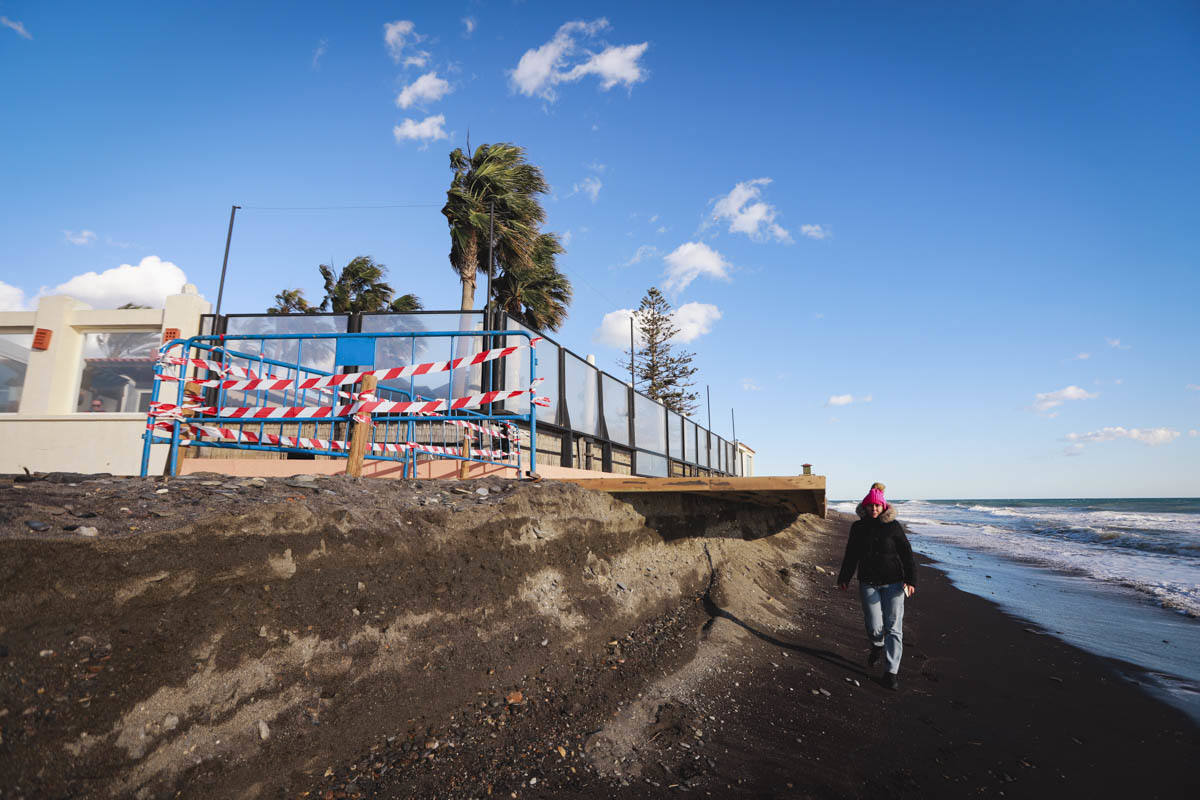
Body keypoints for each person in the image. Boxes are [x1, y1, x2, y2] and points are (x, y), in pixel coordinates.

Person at [837, 484, 916, 690]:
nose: (874, 509)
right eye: (870, 506)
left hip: (895, 583)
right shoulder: (858, 528)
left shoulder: (894, 526)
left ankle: (891, 672)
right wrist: (844, 577)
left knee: (894, 627)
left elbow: (906, 553)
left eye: (877, 506)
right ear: (865, 506)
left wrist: (911, 580)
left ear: (883, 506)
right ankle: (877, 645)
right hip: (868, 582)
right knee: (874, 626)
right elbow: (851, 554)